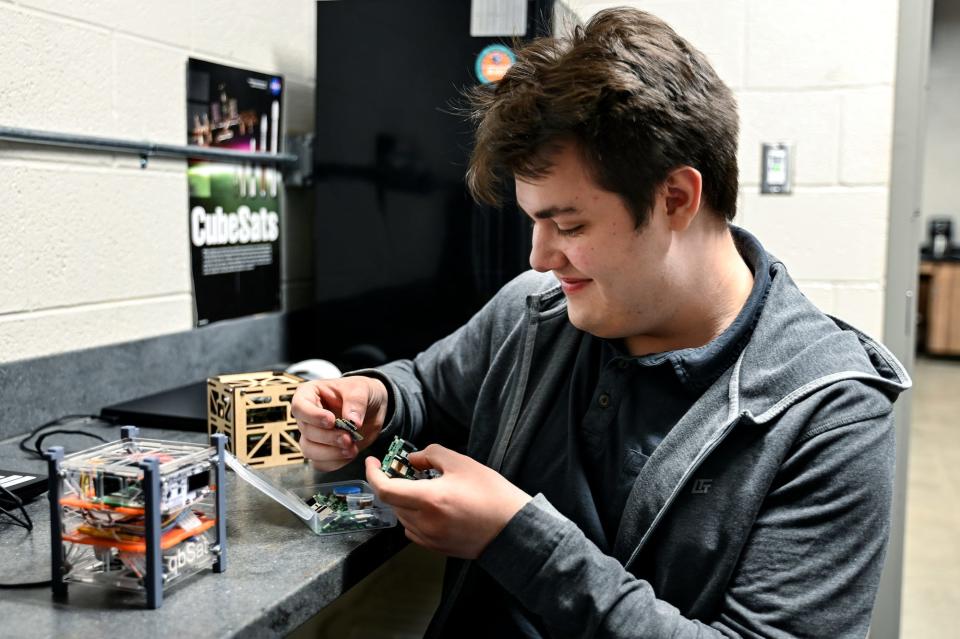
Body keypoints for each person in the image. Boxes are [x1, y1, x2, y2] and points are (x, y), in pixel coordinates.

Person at [292, 7, 910, 637]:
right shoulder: (537, 309)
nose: (538, 257)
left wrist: (516, 539)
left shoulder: (829, 417)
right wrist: (374, 400)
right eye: (534, 221)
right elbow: (425, 388)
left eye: (569, 225)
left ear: (676, 198)